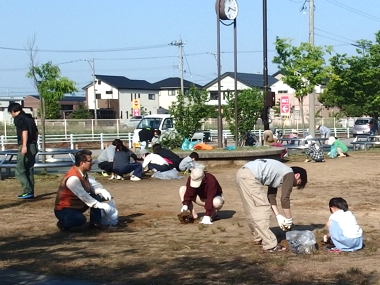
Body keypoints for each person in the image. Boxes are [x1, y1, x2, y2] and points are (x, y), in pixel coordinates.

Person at [236, 159, 308, 253]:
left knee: (252, 208)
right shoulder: (289, 174)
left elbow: (271, 197)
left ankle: (258, 237)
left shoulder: (278, 172)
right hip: (250, 176)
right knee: (262, 209)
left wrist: (278, 216)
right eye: (298, 182)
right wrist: (289, 220)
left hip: (242, 174)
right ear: (297, 175)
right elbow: (284, 198)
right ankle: (270, 245)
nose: (294, 185)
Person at [54, 149, 115, 231]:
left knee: (97, 196)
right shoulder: (73, 179)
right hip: (65, 209)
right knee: (80, 219)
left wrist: (100, 191)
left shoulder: (82, 173)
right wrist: (100, 205)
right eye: (90, 161)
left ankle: (95, 223)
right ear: (82, 163)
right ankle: (63, 224)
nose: (92, 162)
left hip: (76, 205)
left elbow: (88, 188)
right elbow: (83, 195)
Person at [8, 103, 39, 199]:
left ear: (13, 111)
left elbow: (24, 131)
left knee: (19, 170)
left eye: (11, 113)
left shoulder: (18, 118)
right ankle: (30, 192)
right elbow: (36, 131)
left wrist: (24, 145)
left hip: (25, 145)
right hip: (33, 145)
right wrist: (34, 143)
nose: (11, 115)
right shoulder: (29, 118)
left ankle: (27, 191)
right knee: (29, 169)